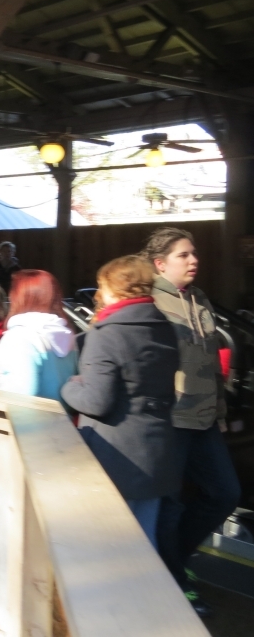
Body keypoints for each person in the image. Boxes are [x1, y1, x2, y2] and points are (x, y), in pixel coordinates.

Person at [144, 228, 240, 616]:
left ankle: (172, 560)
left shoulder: (198, 299)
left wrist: (219, 413)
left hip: (203, 420)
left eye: (194, 253)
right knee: (170, 507)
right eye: (184, 255)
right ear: (160, 263)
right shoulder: (150, 302)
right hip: (170, 420)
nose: (193, 259)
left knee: (224, 494)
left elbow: (211, 363)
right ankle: (173, 579)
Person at [60, 256, 180, 549]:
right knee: (145, 545)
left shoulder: (107, 334)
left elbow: (95, 401)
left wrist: (69, 387)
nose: (100, 293)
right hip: (158, 451)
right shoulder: (164, 327)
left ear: (115, 288)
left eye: (103, 286)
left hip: (115, 457)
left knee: (111, 550)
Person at [0, 270, 77, 400]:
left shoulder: (21, 338)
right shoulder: (66, 335)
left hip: (11, 418)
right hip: (60, 419)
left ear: (19, 297)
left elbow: (22, 397)